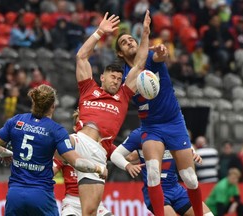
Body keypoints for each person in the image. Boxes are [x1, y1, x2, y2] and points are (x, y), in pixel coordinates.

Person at [115, 25, 203, 216]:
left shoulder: (150, 57)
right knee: (153, 172)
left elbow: (159, 57)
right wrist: (145, 35)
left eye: (131, 39)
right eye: (124, 42)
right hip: (151, 127)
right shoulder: (125, 76)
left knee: (190, 179)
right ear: (120, 53)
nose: (129, 42)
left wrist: (162, 52)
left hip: (174, 123)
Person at [74, 10, 154, 215]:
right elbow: (81, 57)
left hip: (98, 152)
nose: (116, 81)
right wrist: (99, 32)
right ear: (102, 77)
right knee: (57, 137)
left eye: (119, 78)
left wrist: (145, 34)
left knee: (90, 210)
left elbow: (139, 64)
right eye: (112, 77)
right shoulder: (88, 89)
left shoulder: (124, 95)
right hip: (78, 142)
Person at [0, 84, 107, 216]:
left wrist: (7, 153)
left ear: (34, 102)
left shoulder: (16, 121)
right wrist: (99, 168)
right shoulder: (56, 130)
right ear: (53, 106)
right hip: (41, 195)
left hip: (15, 194)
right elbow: (77, 163)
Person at [111, 128, 214, 216]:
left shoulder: (174, 130)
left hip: (176, 189)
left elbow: (186, 144)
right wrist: (127, 166)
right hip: (155, 191)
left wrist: (193, 153)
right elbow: (117, 155)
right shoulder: (139, 134)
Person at [53, 109, 114, 216]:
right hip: (72, 203)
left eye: (86, 124)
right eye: (80, 124)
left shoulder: (101, 145)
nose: (84, 127)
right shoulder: (68, 147)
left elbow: (128, 156)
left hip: (95, 202)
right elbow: (49, 172)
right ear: (75, 128)